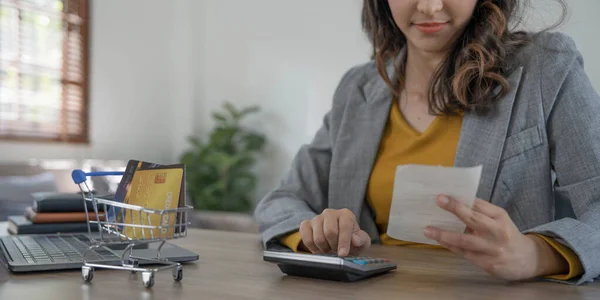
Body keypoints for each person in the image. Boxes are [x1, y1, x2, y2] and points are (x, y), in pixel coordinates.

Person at [254, 0, 600, 285]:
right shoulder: (357, 88)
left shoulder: (545, 67)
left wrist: (536, 254)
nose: (430, 7)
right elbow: (283, 201)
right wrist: (316, 235)